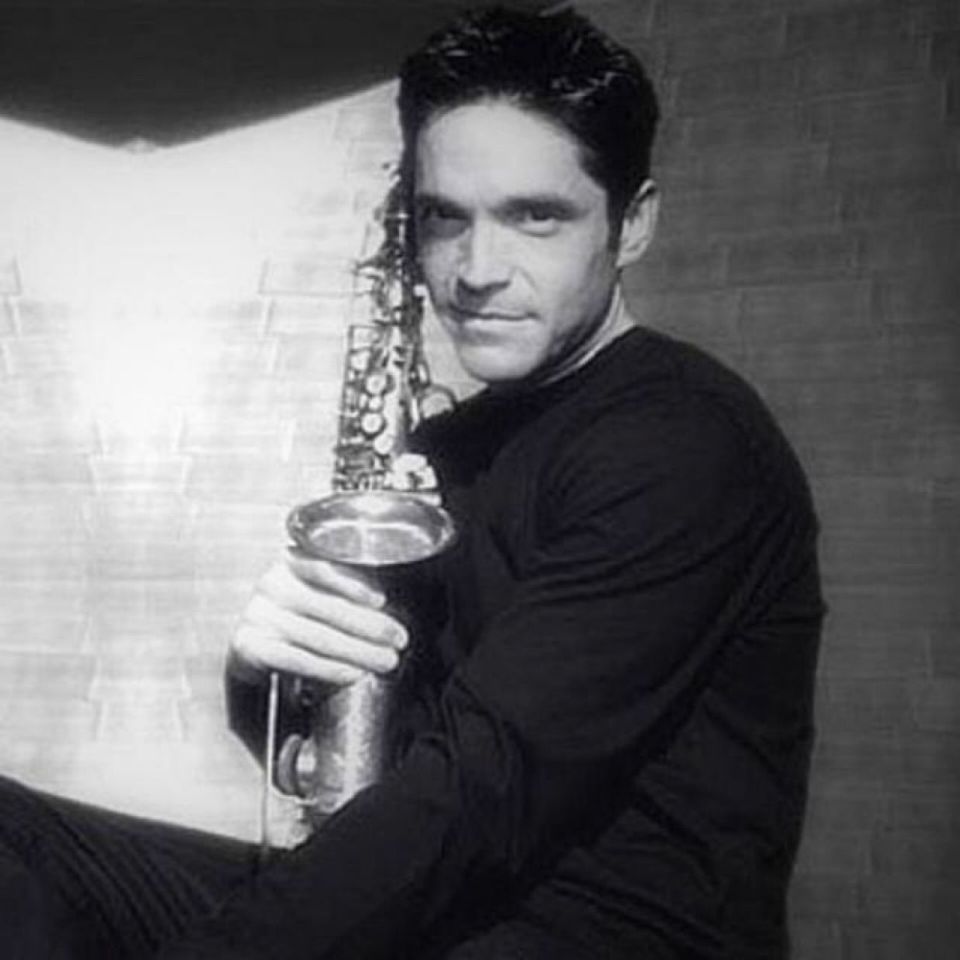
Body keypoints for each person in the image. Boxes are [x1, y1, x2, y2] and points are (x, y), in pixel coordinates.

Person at [0, 7, 823, 959]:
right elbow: (370, 756)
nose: (476, 271)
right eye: (445, 217)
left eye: (536, 217)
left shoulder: (685, 440)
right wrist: (268, 677)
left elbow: (480, 788)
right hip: (441, 909)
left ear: (632, 224)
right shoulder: (447, 444)